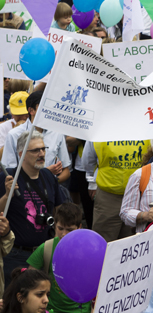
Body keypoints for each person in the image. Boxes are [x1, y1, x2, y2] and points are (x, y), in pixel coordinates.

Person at [0, 131, 66, 284]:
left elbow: (59, 210)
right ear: (22, 154)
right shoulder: (8, 177)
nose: (41, 153)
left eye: (43, 149)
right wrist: (7, 194)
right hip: (16, 254)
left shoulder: (48, 176)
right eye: (36, 150)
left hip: (45, 252)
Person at [26, 203, 88, 313]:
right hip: (51, 310)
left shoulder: (90, 249)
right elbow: (28, 280)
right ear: (54, 225)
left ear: (79, 227)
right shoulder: (46, 248)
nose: (63, 234)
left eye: (69, 229)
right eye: (60, 228)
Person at [3, 91, 71, 184]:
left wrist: (52, 183)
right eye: (44, 108)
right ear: (31, 111)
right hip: (25, 192)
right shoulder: (14, 135)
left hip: (50, 193)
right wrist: (46, 174)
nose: (48, 111)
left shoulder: (57, 133)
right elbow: (9, 172)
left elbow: (66, 171)